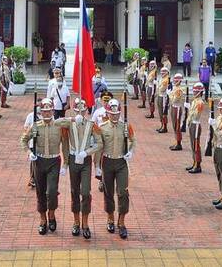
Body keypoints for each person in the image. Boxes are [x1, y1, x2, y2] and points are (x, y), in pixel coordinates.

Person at [20, 97, 71, 235]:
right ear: (41, 112)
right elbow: (24, 139)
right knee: (40, 192)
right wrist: (28, 152)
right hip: (39, 161)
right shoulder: (36, 126)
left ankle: (52, 214)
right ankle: (43, 219)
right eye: (44, 111)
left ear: (53, 111)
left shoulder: (59, 126)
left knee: (52, 191)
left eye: (49, 111)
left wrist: (66, 163)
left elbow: (65, 145)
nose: (47, 113)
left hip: (54, 161)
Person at [60, 98, 101, 239]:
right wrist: (72, 118)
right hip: (72, 160)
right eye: (78, 110)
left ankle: (85, 223)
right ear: (75, 110)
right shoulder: (70, 122)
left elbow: (99, 143)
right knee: (74, 191)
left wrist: (87, 152)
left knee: (85, 192)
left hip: (85, 160)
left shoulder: (92, 124)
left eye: (83, 110)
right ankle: (76, 222)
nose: (81, 112)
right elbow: (56, 122)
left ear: (86, 110)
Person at [98, 98, 136, 239]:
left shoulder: (125, 126)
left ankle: (121, 222)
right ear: (107, 113)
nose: (115, 116)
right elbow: (98, 147)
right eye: (112, 113)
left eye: (117, 113)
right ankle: (110, 218)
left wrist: (130, 151)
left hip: (121, 163)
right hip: (107, 162)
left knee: (123, 192)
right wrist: (97, 167)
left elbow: (133, 140)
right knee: (108, 193)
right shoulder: (102, 127)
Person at [184, 82, 206, 173]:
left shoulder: (200, 102)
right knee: (193, 145)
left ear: (200, 92)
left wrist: (189, 109)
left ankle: (198, 165)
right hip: (192, 124)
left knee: (196, 145)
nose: (194, 92)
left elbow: (196, 115)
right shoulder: (195, 101)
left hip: (196, 125)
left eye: (196, 91)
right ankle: (194, 162)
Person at [167, 73, 185, 151]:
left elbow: (174, 100)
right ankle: (176, 141)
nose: (174, 81)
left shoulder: (179, 90)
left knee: (177, 126)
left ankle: (179, 143)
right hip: (173, 107)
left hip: (177, 108)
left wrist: (169, 94)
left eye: (176, 80)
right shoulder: (175, 88)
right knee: (174, 126)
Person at [155, 67, 171, 133]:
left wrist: (158, 88)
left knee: (164, 113)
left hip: (164, 97)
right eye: (161, 72)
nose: (162, 73)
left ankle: (165, 127)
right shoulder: (162, 79)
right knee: (160, 112)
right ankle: (162, 125)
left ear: (167, 72)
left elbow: (162, 89)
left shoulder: (166, 80)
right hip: (160, 95)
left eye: (164, 72)